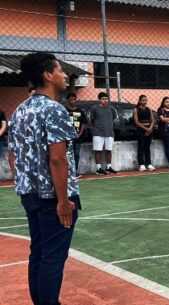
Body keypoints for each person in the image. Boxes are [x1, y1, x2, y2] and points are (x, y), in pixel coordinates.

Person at [10, 52, 80, 305]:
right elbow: (58, 159)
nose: (63, 75)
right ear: (48, 75)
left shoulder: (19, 110)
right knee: (53, 256)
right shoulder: (55, 110)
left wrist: (25, 182)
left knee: (38, 252)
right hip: (53, 196)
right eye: (60, 70)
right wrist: (63, 200)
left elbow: (13, 155)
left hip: (29, 192)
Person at [89, 92, 117, 175]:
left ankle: (108, 167)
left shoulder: (111, 108)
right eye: (103, 99)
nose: (105, 100)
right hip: (98, 133)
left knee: (109, 150)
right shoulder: (94, 108)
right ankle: (98, 168)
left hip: (109, 133)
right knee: (98, 150)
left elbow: (114, 118)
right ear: (99, 100)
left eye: (106, 99)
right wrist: (96, 128)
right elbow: (91, 120)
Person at [62, 93, 87, 175]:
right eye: (71, 99)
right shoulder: (64, 110)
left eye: (74, 99)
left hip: (77, 137)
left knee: (76, 154)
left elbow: (83, 123)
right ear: (67, 100)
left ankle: (75, 171)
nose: (73, 101)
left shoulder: (80, 111)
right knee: (68, 155)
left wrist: (80, 133)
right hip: (67, 137)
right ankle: (67, 171)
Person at [133, 95, 156, 171]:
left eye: (146, 100)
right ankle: (141, 164)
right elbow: (137, 122)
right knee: (141, 147)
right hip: (140, 131)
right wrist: (146, 129)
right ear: (139, 101)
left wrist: (150, 129)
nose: (144, 101)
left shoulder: (149, 109)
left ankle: (149, 164)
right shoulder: (136, 109)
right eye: (143, 100)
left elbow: (152, 120)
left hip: (149, 131)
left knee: (147, 147)